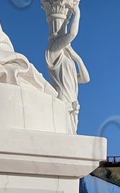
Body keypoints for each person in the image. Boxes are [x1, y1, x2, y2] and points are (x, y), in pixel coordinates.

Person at [44, 0, 90, 133]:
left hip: (72, 102)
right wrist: (77, 14)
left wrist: (77, 59)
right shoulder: (52, 49)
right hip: (63, 100)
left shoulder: (67, 54)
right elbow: (72, 34)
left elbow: (86, 79)